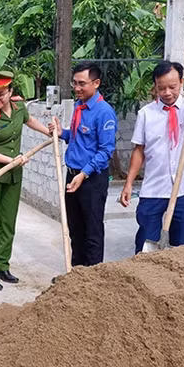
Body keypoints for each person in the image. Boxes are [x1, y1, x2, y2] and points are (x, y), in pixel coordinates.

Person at [119, 61, 184, 253]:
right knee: (145, 241)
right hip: (154, 188)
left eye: (172, 87)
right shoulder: (146, 114)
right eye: (161, 88)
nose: (167, 92)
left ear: (182, 82)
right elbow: (139, 150)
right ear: (155, 87)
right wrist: (128, 183)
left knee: (180, 244)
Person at [0, 70, 51, 291]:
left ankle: (2, 266)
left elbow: (30, 121)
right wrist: (12, 159)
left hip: (12, 175)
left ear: (10, 91)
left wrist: (48, 132)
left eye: (0, 94)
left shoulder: (19, 108)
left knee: (8, 223)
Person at [49, 62, 117, 267]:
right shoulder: (79, 106)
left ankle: (93, 279)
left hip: (91, 180)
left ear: (96, 83)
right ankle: (77, 274)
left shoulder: (104, 112)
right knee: (75, 229)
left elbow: (106, 152)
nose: (77, 88)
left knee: (92, 231)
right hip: (73, 176)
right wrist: (63, 133)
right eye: (74, 83)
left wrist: (84, 174)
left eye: (82, 84)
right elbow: (79, 138)